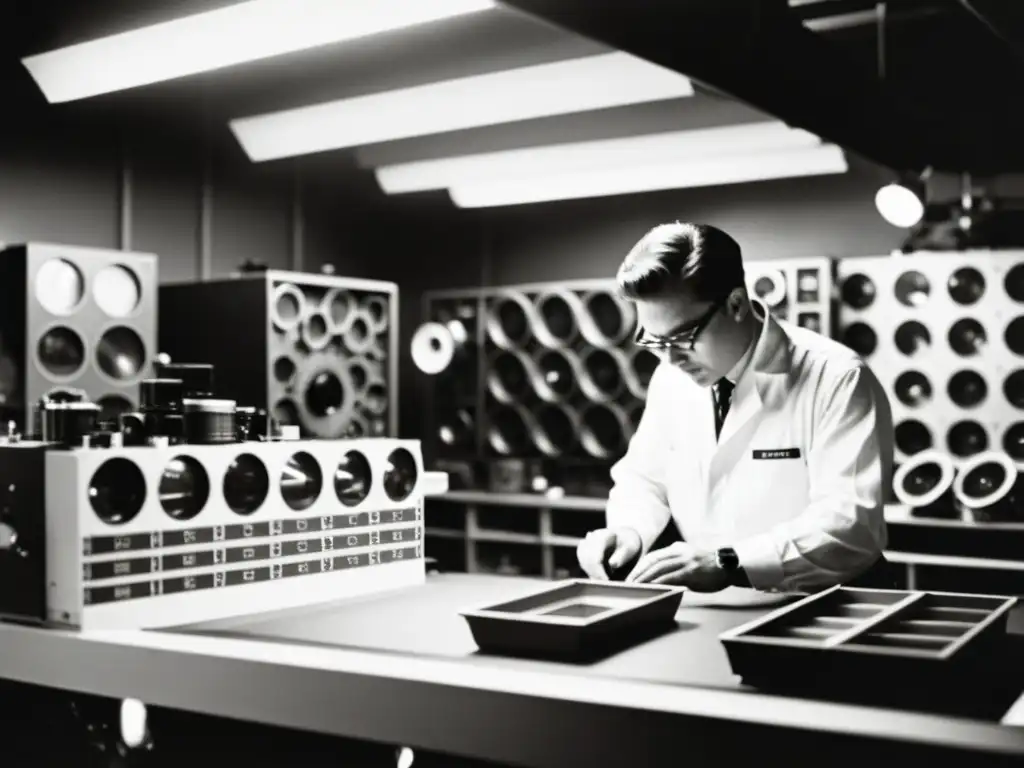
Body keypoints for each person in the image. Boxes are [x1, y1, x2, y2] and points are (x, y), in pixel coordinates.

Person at [576, 222, 895, 593]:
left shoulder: (837, 377)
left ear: (736, 304)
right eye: (654, 340)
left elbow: (849, 526)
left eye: (682, 337)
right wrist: (629, 530)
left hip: (825, 603)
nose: (670, 357)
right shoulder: (671, 379)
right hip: (718, 607)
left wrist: (728, 561)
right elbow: (645, 478)